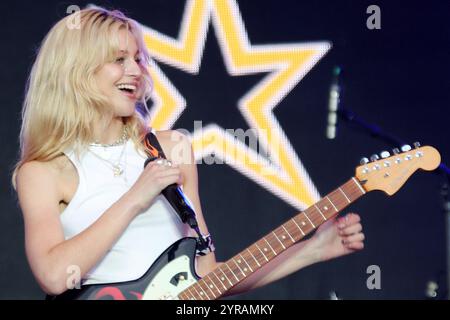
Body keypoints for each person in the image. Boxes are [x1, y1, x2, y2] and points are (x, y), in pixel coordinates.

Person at [12, 7, 365, 299]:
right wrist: (136, 197)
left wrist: (312, 250)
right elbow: (55, 276)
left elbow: (208, 278)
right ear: (75, 71)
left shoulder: (171, 150)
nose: (136, 71)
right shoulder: (44, 171)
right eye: (118, 59)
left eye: (137, 58)